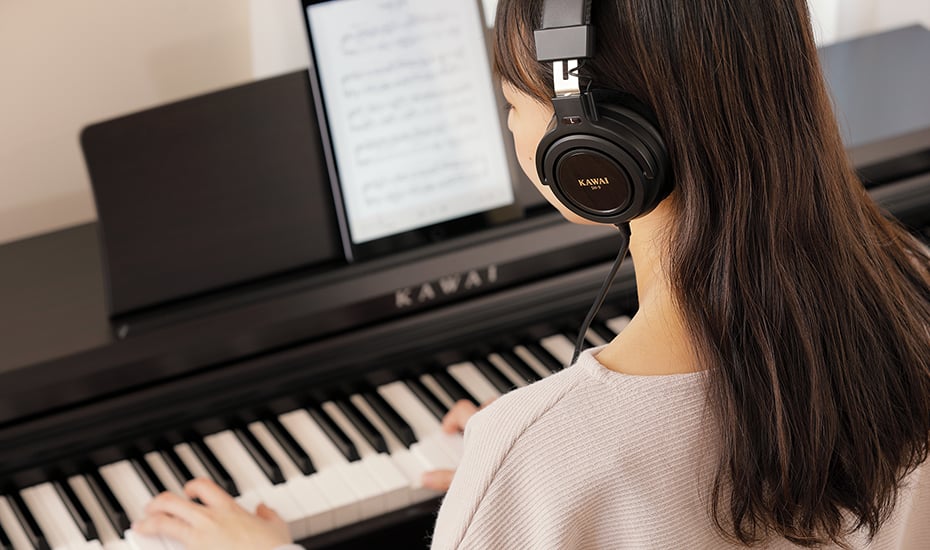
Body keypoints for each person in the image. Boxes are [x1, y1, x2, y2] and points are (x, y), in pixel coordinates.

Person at [133, 0, 930, 548]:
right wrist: (524, 489)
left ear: (595, 155)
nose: (510, 120)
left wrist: (523, 476)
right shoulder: (912, 291)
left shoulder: (538, 459)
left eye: (516, 101)